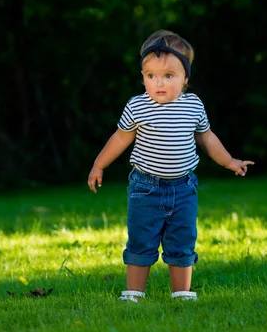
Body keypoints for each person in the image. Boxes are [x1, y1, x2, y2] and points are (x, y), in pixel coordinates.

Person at [87, 30, 254, 302]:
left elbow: (207, 138)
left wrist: (230, 161)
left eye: (168, 75)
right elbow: (120, 138)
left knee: (182, 240)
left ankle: (181, 293)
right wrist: (98, 165)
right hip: (145, 187)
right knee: (141, 239)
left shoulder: (193, 106)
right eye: (150, 75)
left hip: (183, 188)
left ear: (185, 78)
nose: (158, 83)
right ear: (142, 76)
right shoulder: (138, 106)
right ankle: (134, 292)